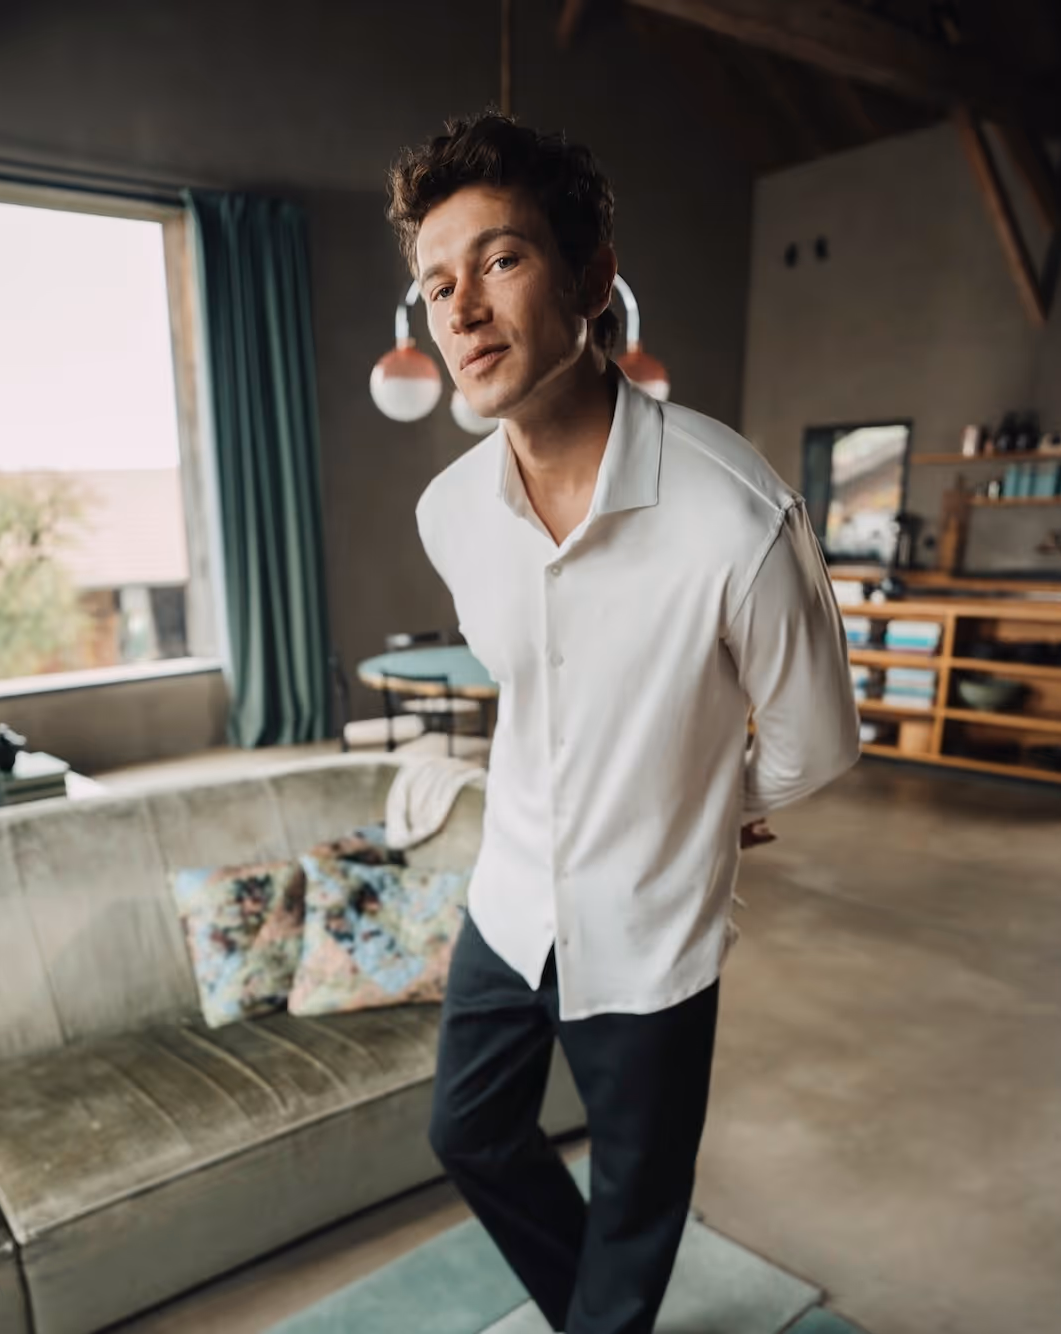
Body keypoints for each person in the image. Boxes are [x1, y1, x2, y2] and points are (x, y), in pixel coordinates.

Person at [386, 112, 860, 1334]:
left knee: (639, 1203)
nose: (463, 310)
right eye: (437, 284)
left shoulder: (735, 512)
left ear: (595, 277)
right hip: (510, 897)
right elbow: (533, 681)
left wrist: (721, 799)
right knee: (470, 1130)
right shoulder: (451, 513)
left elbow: (816, 739)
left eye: (499, 261)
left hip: (651, 930)